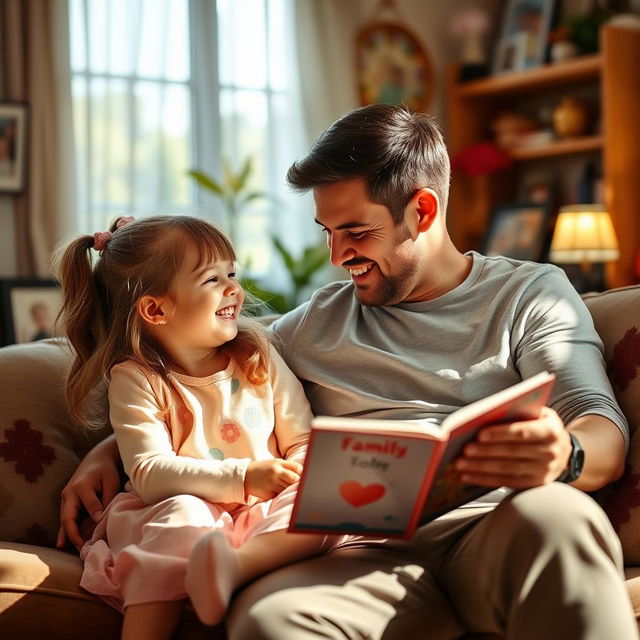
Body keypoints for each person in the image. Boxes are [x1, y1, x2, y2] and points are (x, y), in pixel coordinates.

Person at [58, 105, 638, 639]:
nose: (338, 256)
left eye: (356, 232)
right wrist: (105, 452)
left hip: (491, 526)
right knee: (271, 621)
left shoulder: (529, 294)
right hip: (352, 549)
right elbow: (203, 380)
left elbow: (598, 423)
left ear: (423, 210)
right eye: (327, 232)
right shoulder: (309, 324)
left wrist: (567, 455)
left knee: (560, 518)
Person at [54, 215, 330, 640]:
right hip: (179, 508)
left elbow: (304, 439)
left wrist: (293, 473)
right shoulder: (137, 378)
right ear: (155, 308)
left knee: (319, 498)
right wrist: (243, 477)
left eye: (232, 273)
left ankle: (237, 565)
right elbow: (148, 472)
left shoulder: (258, 355)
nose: (234, 288)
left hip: (262, 511)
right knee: (182, 517)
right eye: (212, 279)